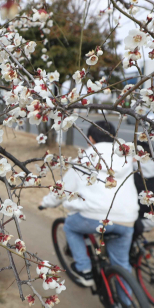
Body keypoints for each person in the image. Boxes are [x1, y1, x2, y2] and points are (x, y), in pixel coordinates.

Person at [40, 121, 139, 287]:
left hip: (93, 216)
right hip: (127, 218)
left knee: (70, 227)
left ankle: (85, 270)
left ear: (91, 139)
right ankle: (126, 307)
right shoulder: (126, 157)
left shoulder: (86, 156)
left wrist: (47, 202)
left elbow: (64, 188)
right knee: (122, 265)